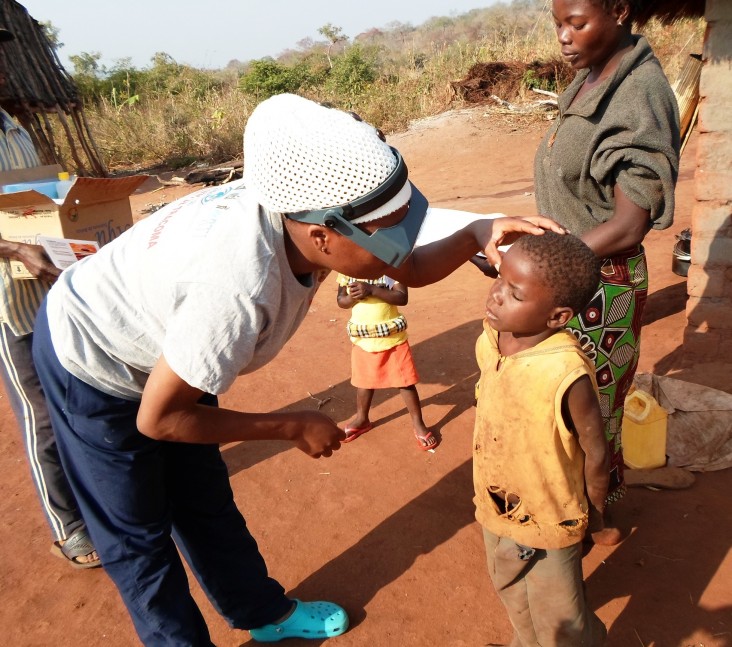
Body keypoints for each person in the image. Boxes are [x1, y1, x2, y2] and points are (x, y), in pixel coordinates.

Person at [30, 93, 563, 645]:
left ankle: (261, 612)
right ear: (321, 237)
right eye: (390, 235)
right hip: (93, 356)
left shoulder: (308, 209)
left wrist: (479, 231)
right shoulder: (234, 289)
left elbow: (409, 260)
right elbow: (159, 419)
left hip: (172, 349)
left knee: (204, 499)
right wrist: (289, 424)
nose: (401, 247)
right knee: (137, 534)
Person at [533, 0, 680, 537]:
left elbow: (627, 224)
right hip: (564, 271)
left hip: (602, 288)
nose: (564, 38)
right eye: (557, 25)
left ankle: (597, 515)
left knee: (590, 413)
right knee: (555, 403)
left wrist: (543, 263)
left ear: (619, 11)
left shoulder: (639, 94)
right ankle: (566, 504)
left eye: (576, 23)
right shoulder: (593, 75)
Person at [474, 231, 610, 646]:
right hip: (497, 499)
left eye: (514, 293)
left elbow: (596, 451)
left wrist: (596, 515)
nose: (497, 295)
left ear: (556, 317)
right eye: (500, 280)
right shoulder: (489, 340)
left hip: (552, 514)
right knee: (510, 588)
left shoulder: (565, 372)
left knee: (558, 613)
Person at [0, 26, 99, 569]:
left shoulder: (12, 123)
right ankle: (69, 528)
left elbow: (32, 195)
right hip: (9, 303)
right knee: (41, 414)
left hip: (52, 287)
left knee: (79, 391)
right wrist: (17, 249)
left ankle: (95, 493)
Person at [336, 274, 437, 450]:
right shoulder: (347, 269)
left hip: (392, 338)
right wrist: (352, 296)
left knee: (405, 383)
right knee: (363, 383)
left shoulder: (392, 267)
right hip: (364, 337)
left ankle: (418, 423)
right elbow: (341, 300)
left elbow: (401, 297)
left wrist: (372, 290)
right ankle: (362, 418)